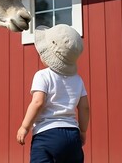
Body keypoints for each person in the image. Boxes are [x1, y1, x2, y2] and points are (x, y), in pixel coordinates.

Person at [17, 24, 90, 163]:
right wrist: (83, 131)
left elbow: (38, 103)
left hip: (46, 134)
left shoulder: (42, 75)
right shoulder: (78, 80)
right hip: (72, 135)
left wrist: (24, 127)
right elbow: (84, 107)